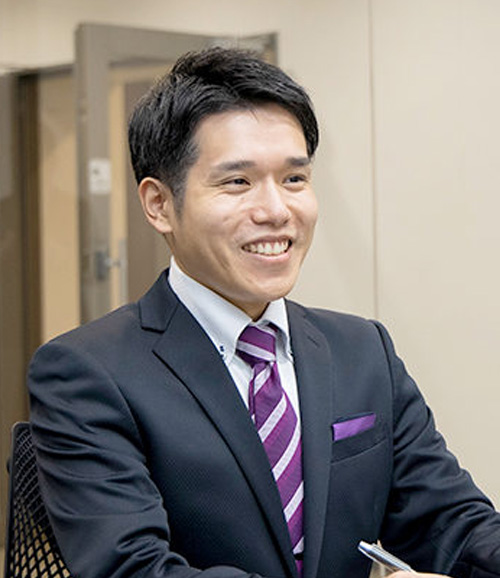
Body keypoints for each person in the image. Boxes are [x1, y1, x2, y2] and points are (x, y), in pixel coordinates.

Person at [28, 47, 500, 578]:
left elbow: (453, 524)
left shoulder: (364, 351)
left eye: (295, 179)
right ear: (159, 204)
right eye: (238, 182)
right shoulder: (86, 373)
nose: (276, 210)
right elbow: (133, 568)